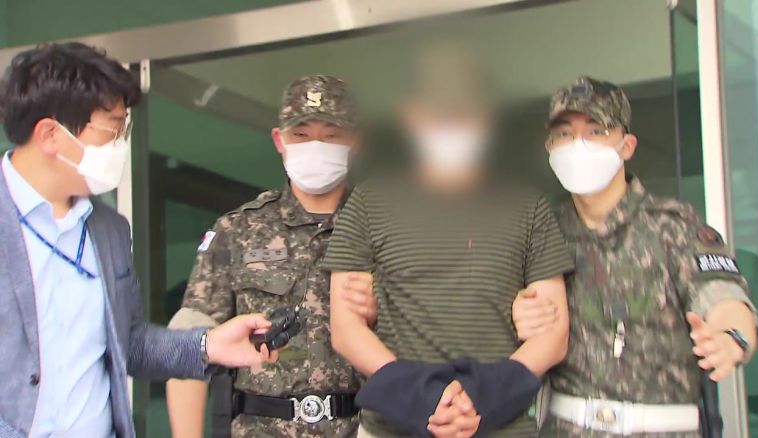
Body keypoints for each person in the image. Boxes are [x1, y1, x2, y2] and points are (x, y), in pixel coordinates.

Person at [0, 43, 277, 438]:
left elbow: (128, 341)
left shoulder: (108, 229)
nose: (121, 144)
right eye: (112, 129)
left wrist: (208, 346)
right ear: (50, 134)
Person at [323, 49, 573, 438]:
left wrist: (484, 397)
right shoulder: (368, 202)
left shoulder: (529, 207)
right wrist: (419, 396)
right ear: (410, 114)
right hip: (393, 429)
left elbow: (553, 335)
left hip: (502, 428)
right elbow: (345, 327)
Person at [511, 76, 758, 437]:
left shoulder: (672, 226)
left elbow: (724, 297)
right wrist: (521, 314)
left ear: (626, 146)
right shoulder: (542, 230)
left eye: (596, 131)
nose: (578, 144)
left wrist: (729, 337)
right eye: (564, 134)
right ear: (550, 147)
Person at [166, 75, 376, 438]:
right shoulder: (237, 230)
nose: (315, 146)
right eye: (301, 134)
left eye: (330, 135)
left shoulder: (379, 230)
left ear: (355, 141)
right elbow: (188, 348)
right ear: (279, 140)